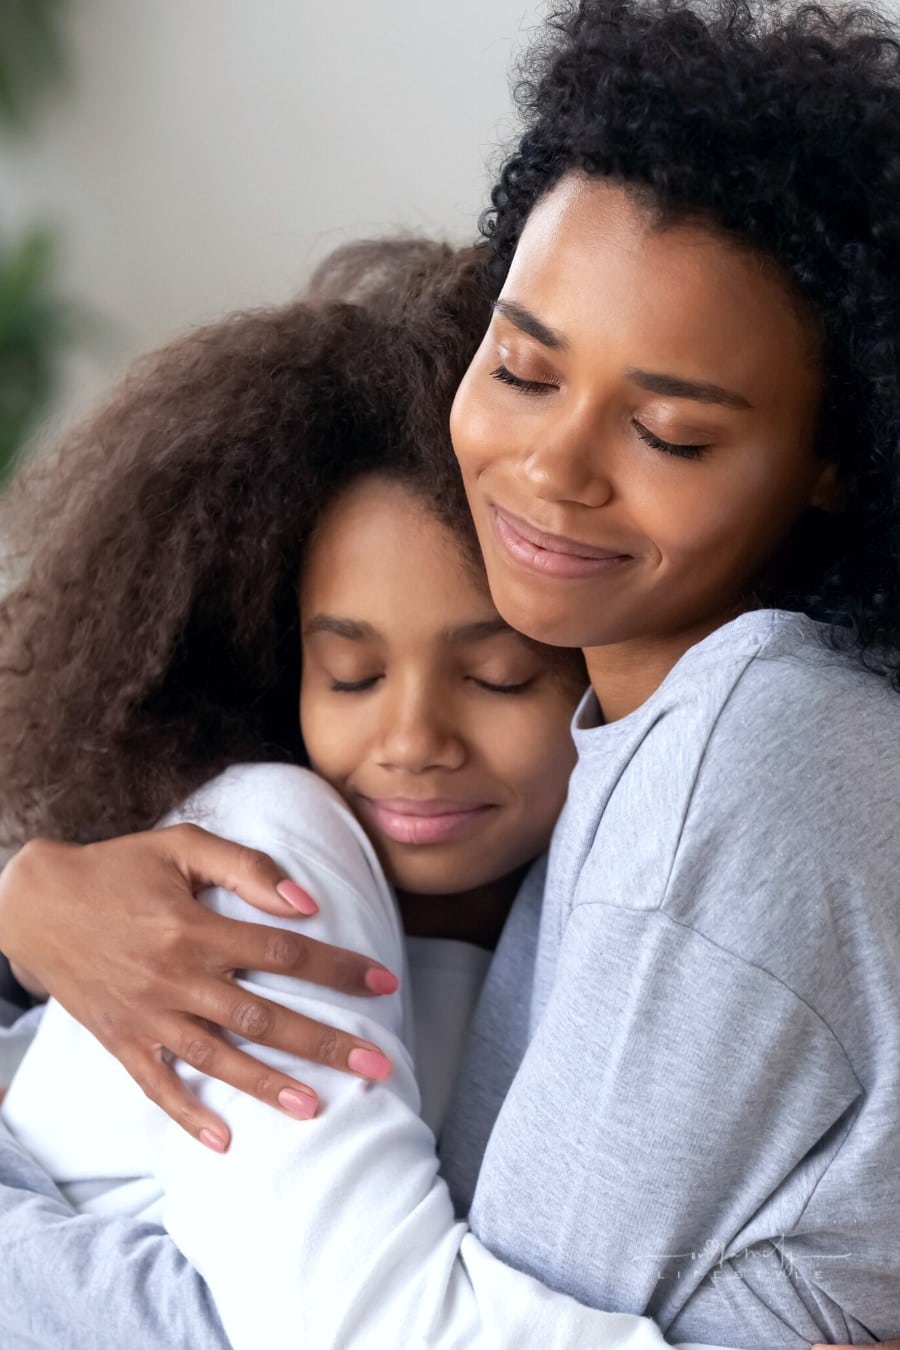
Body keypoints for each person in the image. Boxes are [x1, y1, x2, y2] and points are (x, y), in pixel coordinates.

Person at [2, 0, 900, 1345]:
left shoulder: (746, 744)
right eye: (525, 368)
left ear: (837, 454)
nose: (552, 469)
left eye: (667, 430)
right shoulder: (609, 747)